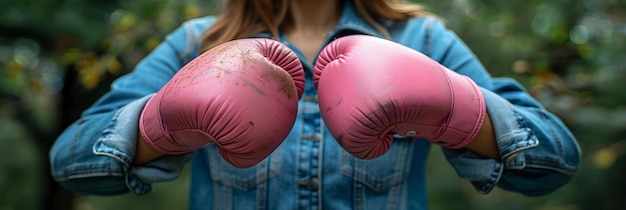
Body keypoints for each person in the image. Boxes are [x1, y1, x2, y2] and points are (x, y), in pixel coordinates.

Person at [49, 0, 581, 209]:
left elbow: (554, 157)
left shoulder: (422, 39)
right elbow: (73, 160)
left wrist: (457, 110)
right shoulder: (198, 44)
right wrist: (159, 122)